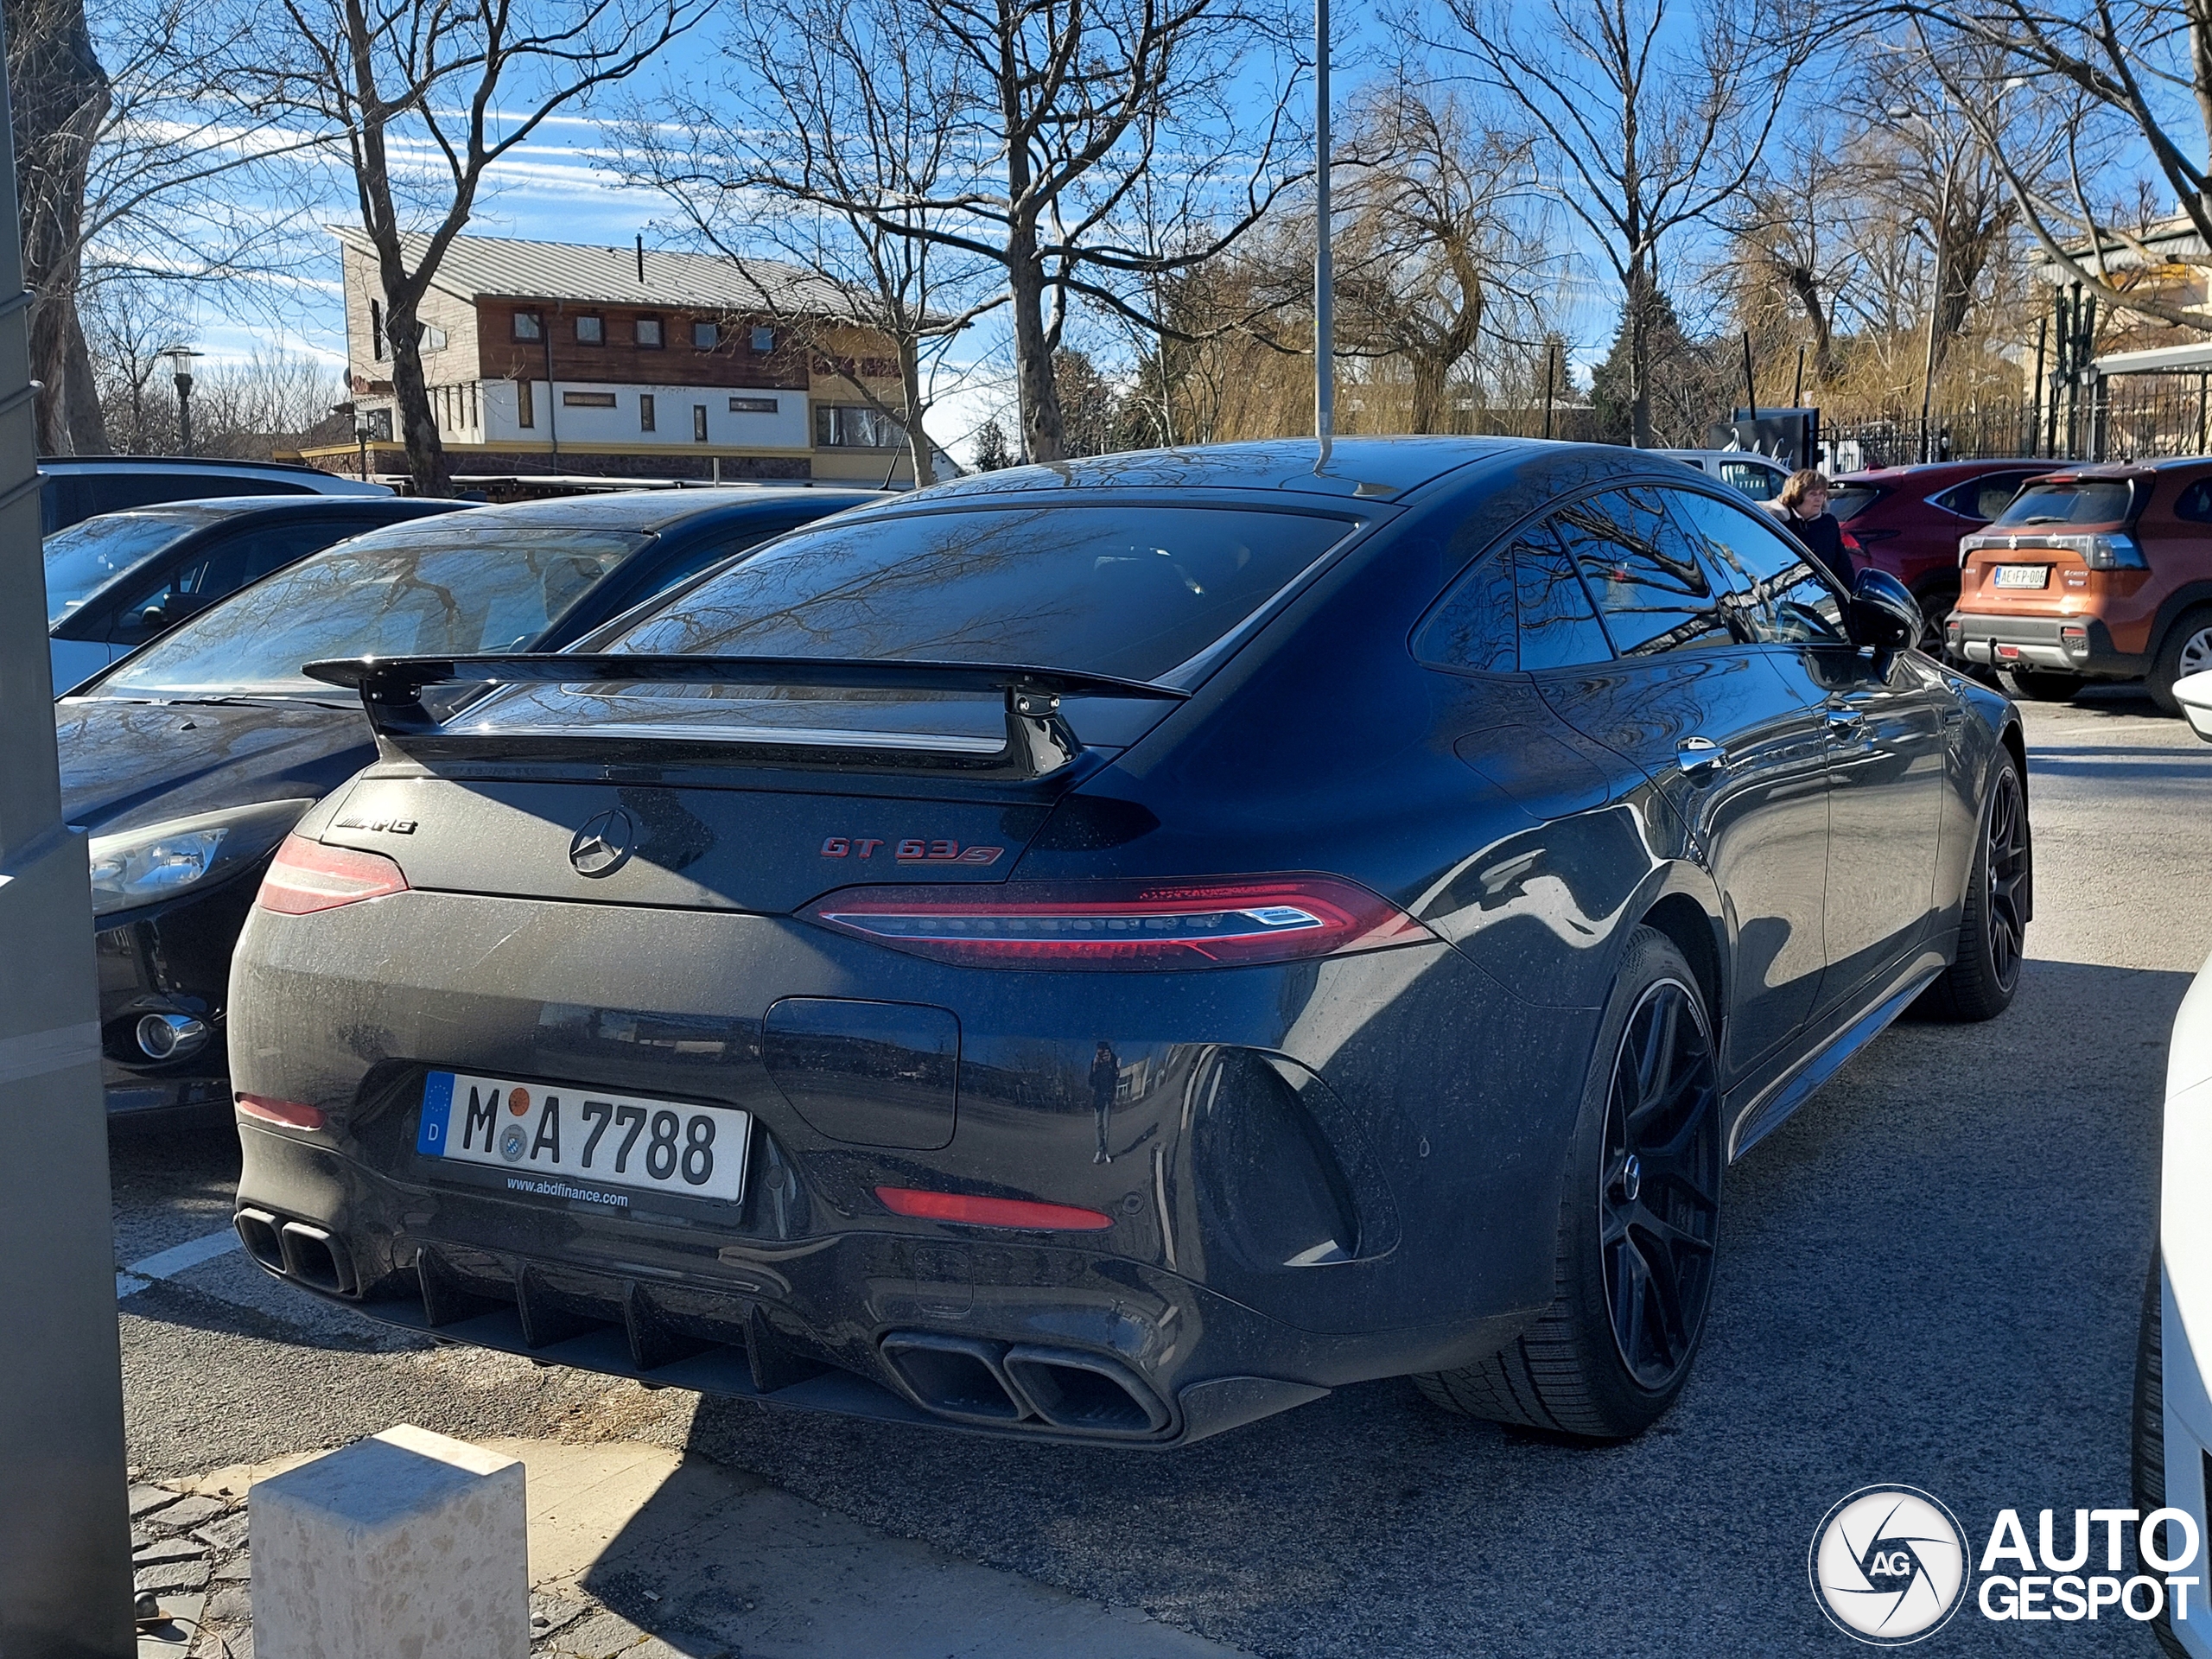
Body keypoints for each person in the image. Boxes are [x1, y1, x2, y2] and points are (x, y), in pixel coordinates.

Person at [1765, 468, 1853, 589]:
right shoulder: (1779, 523)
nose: (1819, 499)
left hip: (1824, 596)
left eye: (1822, 493)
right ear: (1797, 495)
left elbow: (1843, 567)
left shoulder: (1828, 524)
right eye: (1813, 494)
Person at [1090, 1041, 1119, 1164]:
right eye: (1099, 1051)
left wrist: (1111, 1063)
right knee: (1098, 1125)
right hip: (1098, 1099)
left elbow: (1115, 1077)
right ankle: (1099, 1150)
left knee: (1106, 1126)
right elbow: (1091, 1081)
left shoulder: (1111, 1061)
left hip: (1107, 1098)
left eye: (1104, 1050)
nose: (1102, 1054)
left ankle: (1106, 1151)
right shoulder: (1095, 1063)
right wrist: (1095, 1066)